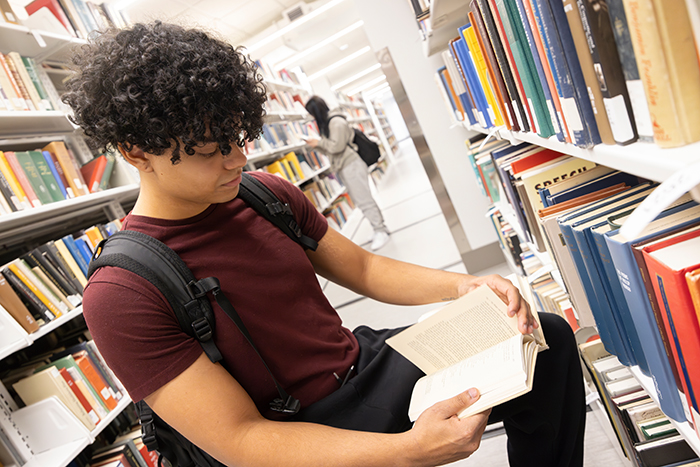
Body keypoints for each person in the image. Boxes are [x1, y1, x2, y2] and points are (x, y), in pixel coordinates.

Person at [66, 22, 586, 467]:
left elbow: (362, 267)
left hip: (365, 364)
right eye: (210, 151)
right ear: (138, 152)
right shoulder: (122, 294)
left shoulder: (265, 194)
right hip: (296, 427)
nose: (236, 161)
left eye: (238, 139)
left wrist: (465, 287)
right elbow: (240, 440)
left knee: (547, 339)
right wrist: (409, 451)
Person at [304, 95, 390, 251]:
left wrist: (319, 142)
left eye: (311, 113)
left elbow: (336, 147)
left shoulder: (336, 122)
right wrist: (316, 145)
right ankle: (378, 227)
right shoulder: (328, 124)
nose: (311, 117)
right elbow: (331, 149)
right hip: (345, 166)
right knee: (361, 200)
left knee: (364, 199)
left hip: (352, 165)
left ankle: (381, 230)